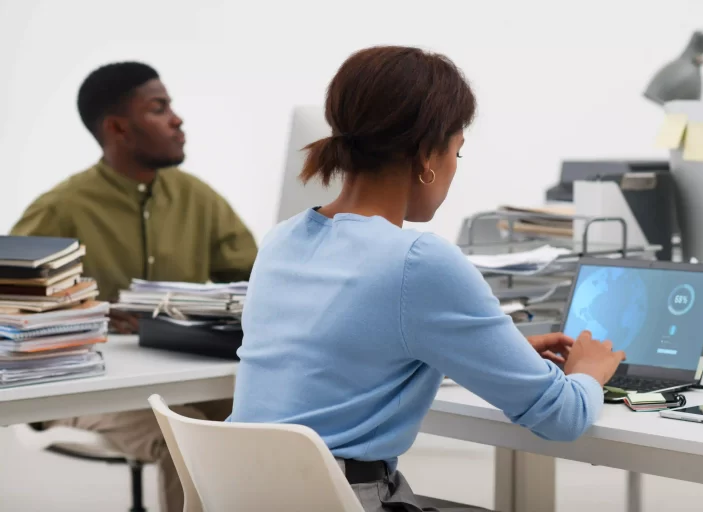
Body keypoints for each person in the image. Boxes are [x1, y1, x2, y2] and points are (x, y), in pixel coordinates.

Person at [229, 45, 625, 512]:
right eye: (458, 151)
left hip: (244, 493)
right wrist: (587, 373)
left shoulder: (281, 239)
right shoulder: (418, 259)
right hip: (340, 500)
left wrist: (503, 351)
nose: (455, 167)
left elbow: (351, 355)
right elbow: (562, 416)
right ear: (427, 156)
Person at [11, 62, 258, 512]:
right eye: (159, 108)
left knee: (266, 424)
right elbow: (11, 305)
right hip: (82, 387)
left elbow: (256, 282)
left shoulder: (196, 197)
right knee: (186, 438)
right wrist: (88, 312)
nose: (177, 119)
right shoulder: (60, 208)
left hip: (180, 372)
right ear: (118, 127)